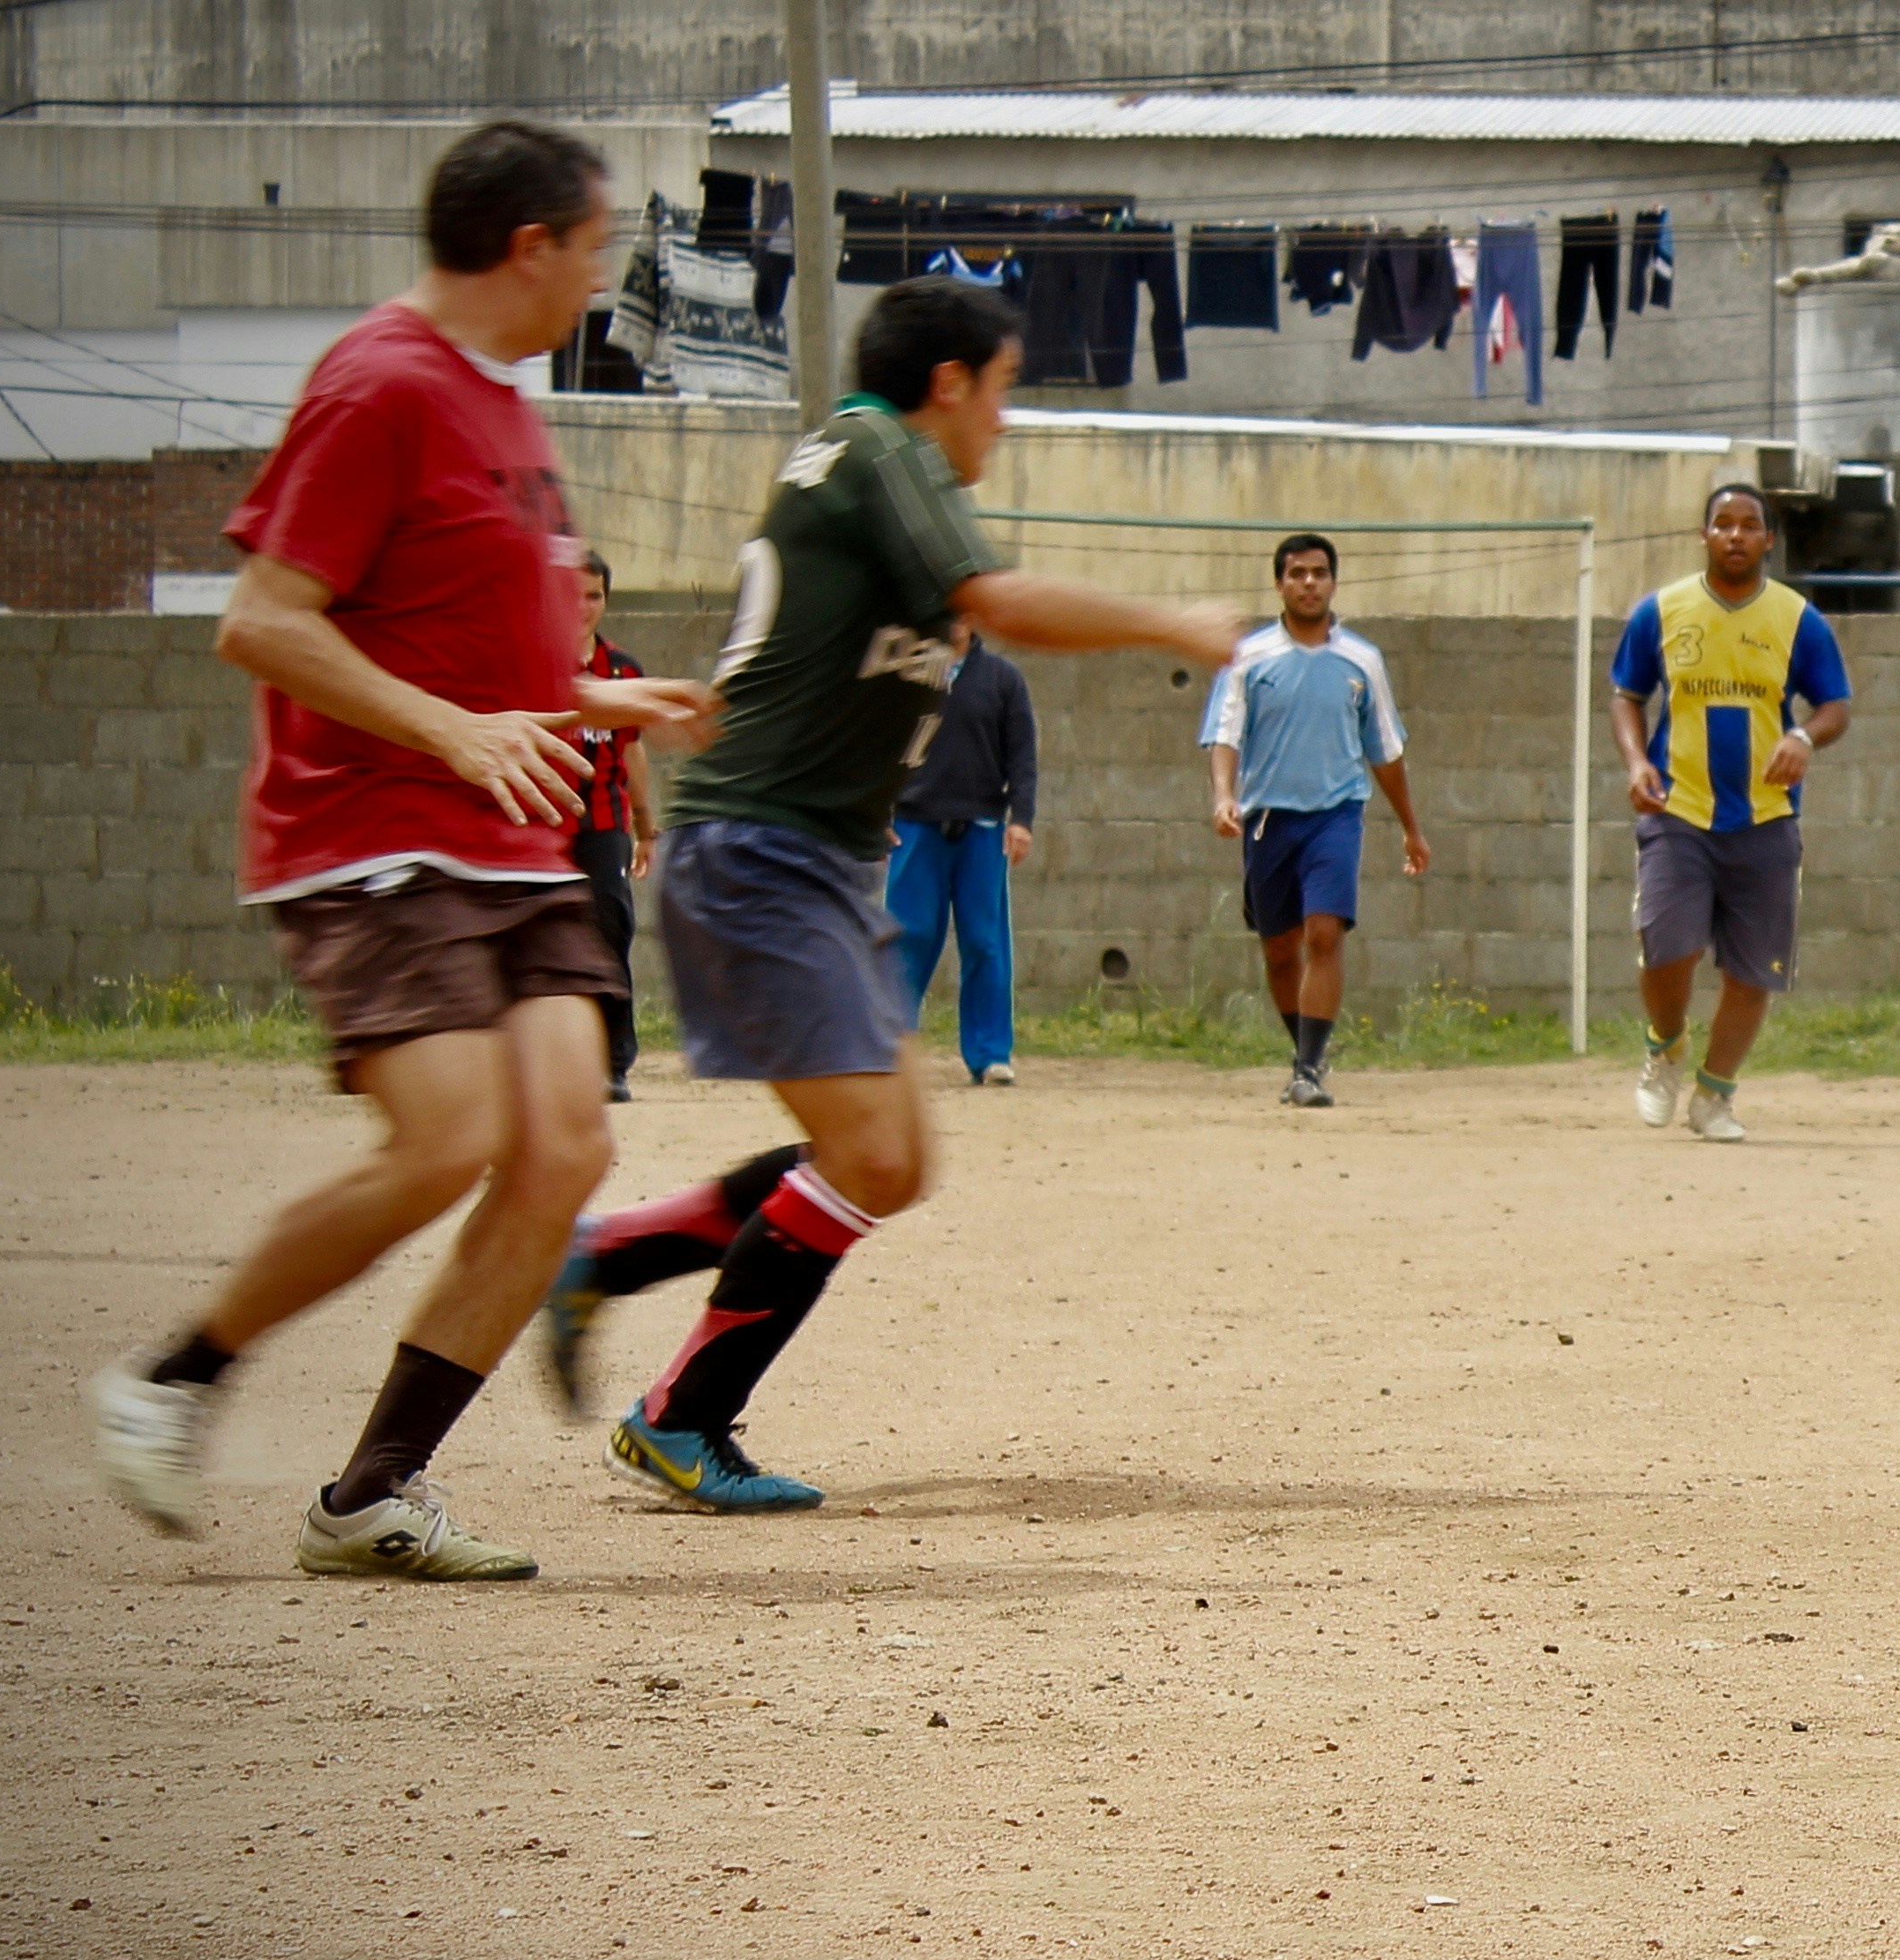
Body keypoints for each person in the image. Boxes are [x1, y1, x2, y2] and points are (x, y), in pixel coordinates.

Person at [85, 119, 718, 1578]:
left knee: (563, 1147)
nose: (606, 272)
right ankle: (170, 1379)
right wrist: (449, 733)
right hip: (373, 828)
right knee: (452, 1142)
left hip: (506, 830)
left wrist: (599, 695)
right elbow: (265, 619)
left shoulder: (502, 402)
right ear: (530, 245)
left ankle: (373, 1488)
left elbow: (464, 632)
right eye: (599, 243)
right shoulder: (378, 385)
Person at [542, 276, 1238, 1511]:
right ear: (950, 384)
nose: (1005, 425)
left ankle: (610, 1253)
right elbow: (999, 601)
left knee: (892, 1158)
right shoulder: (881, 444)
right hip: (763, 852)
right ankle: (679, 1416)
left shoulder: (860, 462)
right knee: (868, 1155)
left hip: (806, 856)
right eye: (1005, 390)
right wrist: (1172, 621)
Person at [1612, 481, 1852, 1142]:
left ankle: (1714, 1096)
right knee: (1667, 945)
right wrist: (1637, 762)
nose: (1736, 535)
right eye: (1723, 524)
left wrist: (1804, 737)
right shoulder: (1660, 612)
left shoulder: (1798, 619)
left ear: (1769, 539)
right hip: (1677, 810)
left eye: (1750, 525)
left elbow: (1835, 706)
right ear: (1704, 536)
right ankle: (1665, 1047)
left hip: (1766, 818)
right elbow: (1626, 695)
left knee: (1753, 970)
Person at [1201, 532, 1427, 1108]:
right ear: (1279, 583)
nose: (1309, 583)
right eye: (1297, 573)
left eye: (1319, 573)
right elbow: (1224, 734)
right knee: (1280, 950)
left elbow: (1385, 750)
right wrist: (1224, 795)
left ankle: (1307, 1069)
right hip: (1268, 820)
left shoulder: (1362, 660)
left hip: (1336, 816)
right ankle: (1307, 1049)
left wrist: (1410, 826)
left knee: (1324, 934)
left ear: (1333, 582)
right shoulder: (1248, 658)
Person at [884, 621, 1036, 1087]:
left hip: (982, 828)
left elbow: (1023, 757)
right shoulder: (905, 676)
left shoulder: (1002, 678)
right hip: (914, 825)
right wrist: (876, 812)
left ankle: (990, 1053)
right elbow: (878, 748)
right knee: (907, 937)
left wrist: (1021, 820)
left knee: (985, 941)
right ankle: (891, 1047)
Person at [571, 549, 660, 1103]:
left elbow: (632, 753)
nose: (582, 607)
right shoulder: (533, 662)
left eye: (593, 595)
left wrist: (646, 827)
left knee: (610, 932)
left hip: (603, 826)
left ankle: (614, 1063)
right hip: (540, 828)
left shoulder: (623, 671)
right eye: (571, 594)